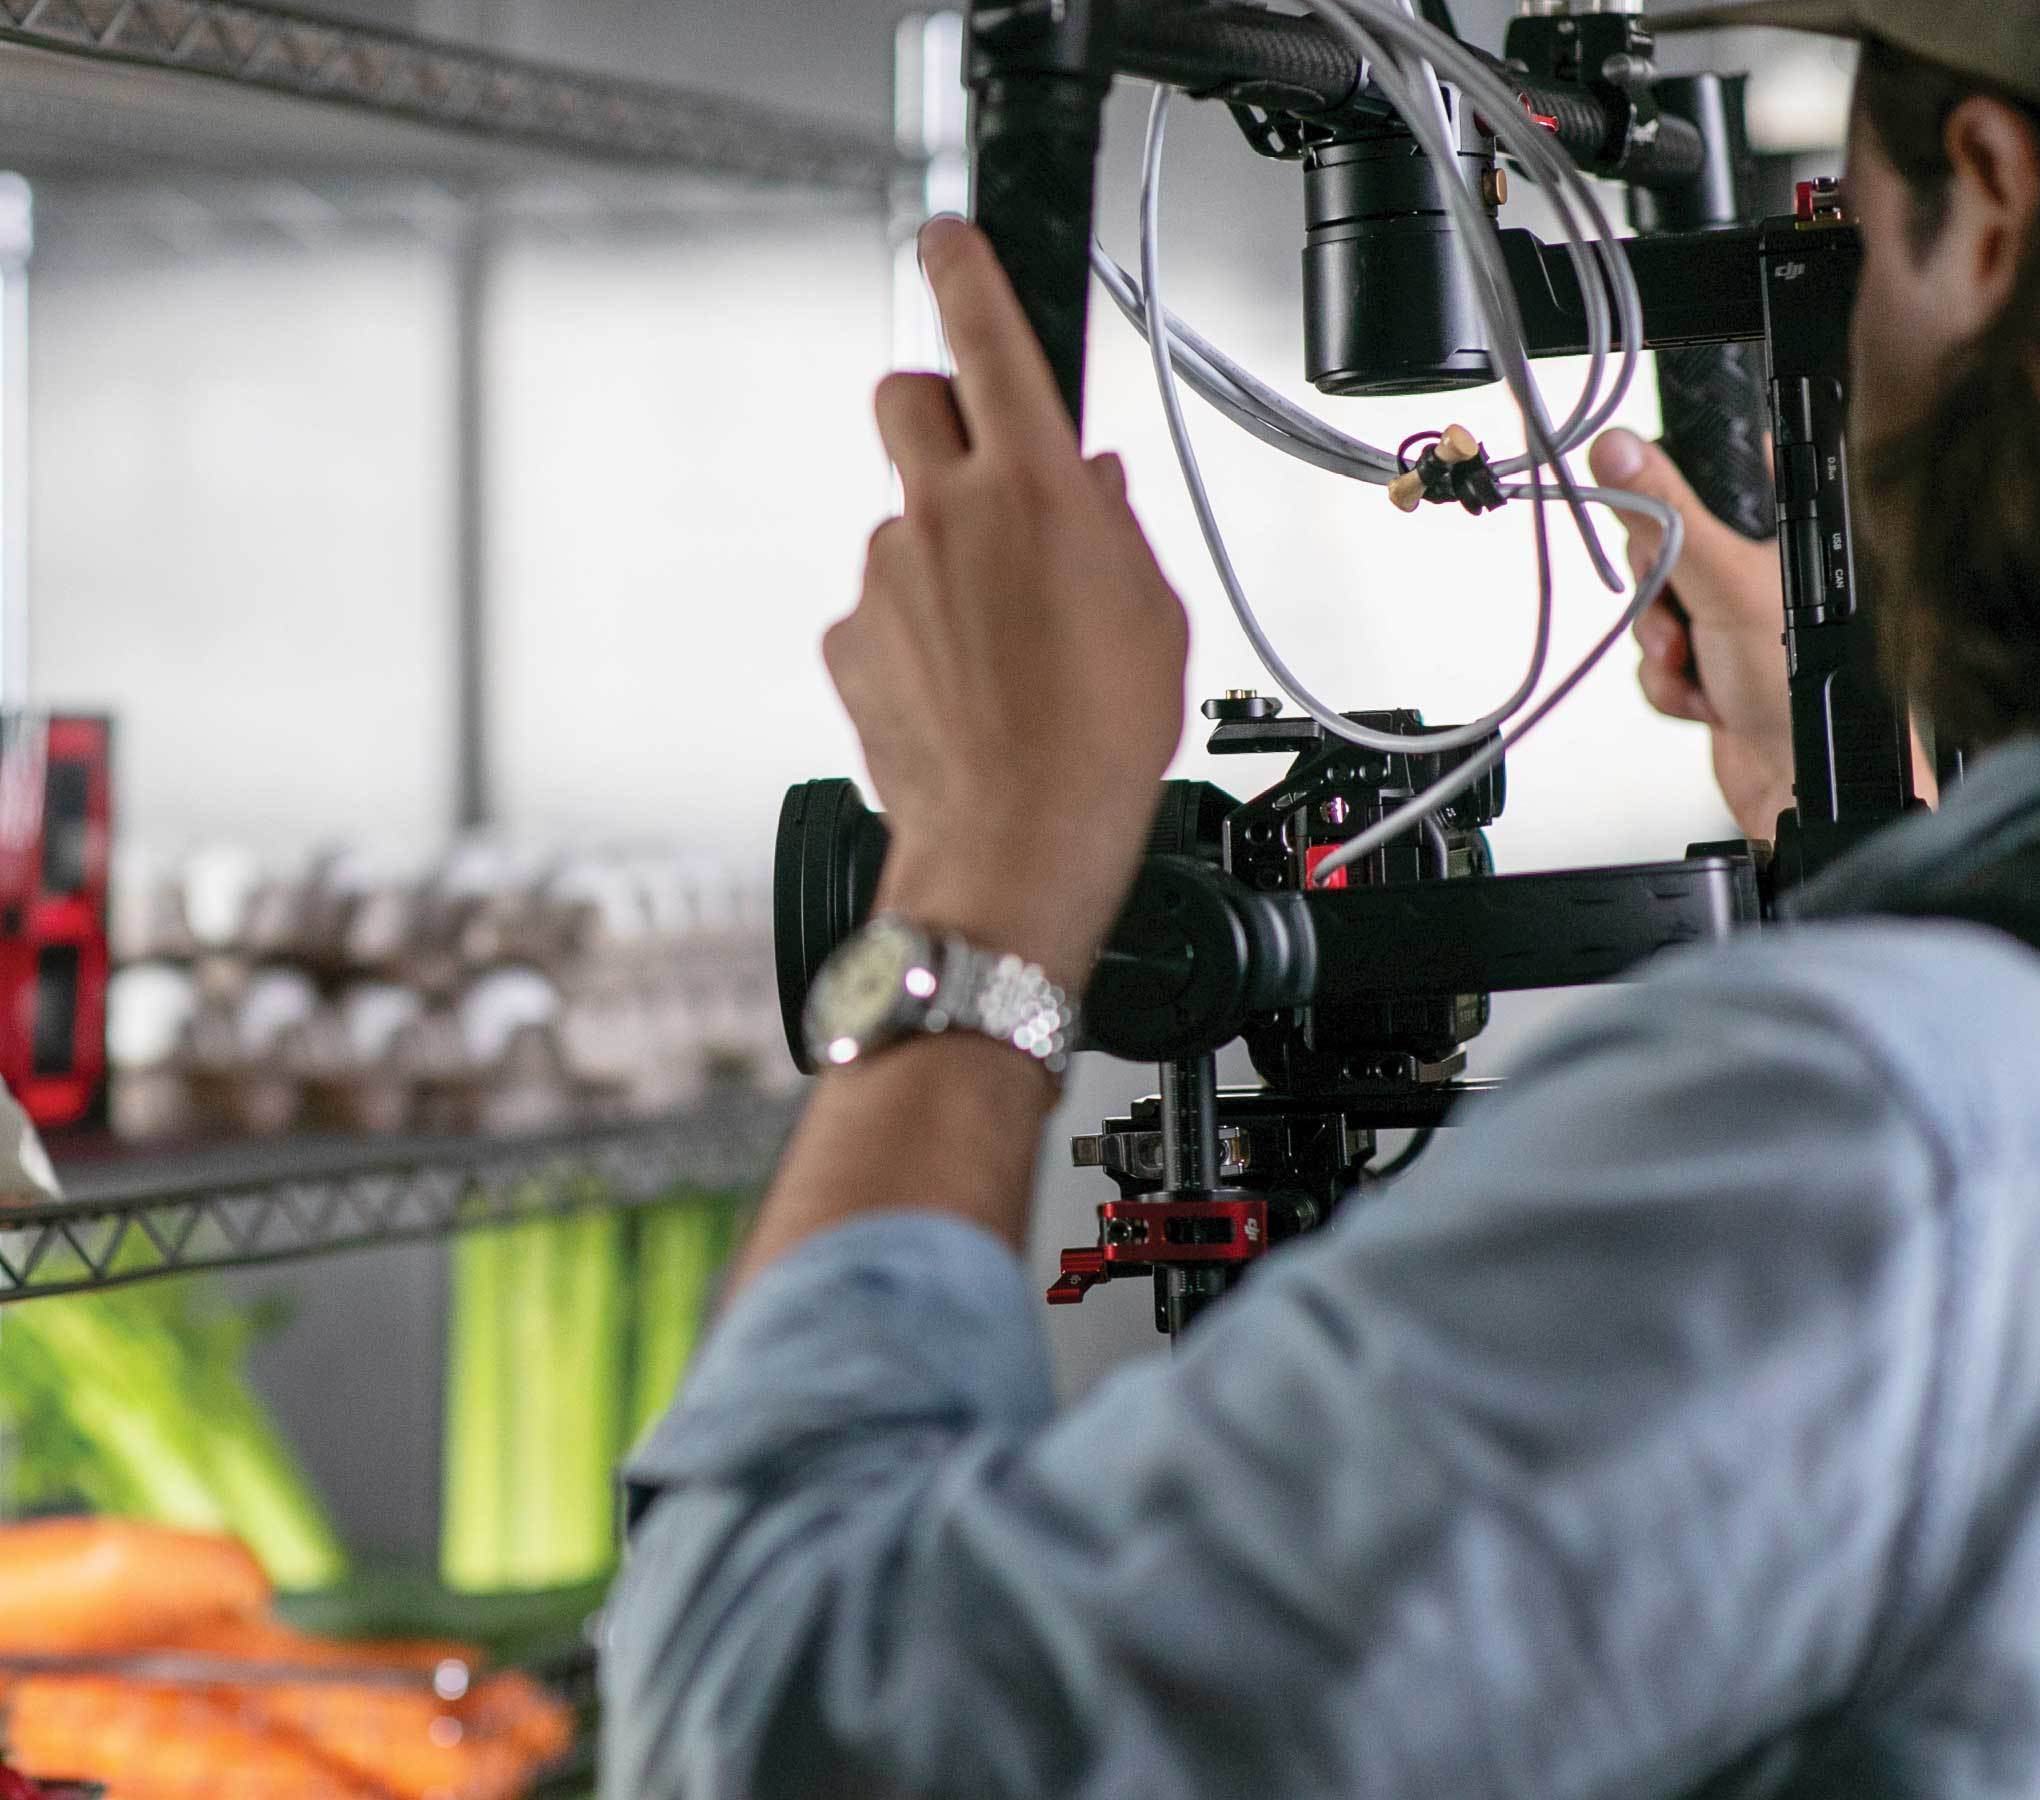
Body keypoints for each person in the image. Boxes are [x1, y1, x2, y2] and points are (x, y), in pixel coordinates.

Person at [599, 5, 2040, 1795]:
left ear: (1982, 202)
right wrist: (1829, 810)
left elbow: (797, 1731)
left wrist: (979, 884)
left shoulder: (1870, 1144)